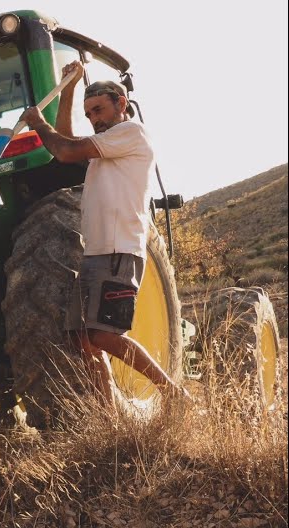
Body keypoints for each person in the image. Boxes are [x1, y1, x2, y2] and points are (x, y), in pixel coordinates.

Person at [20, 62, 187, 405]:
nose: (94, 119)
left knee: (104, 335)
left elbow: (64, 150)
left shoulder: (131, 133)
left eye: (98, 110)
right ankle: (110, 414)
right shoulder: (105, 147)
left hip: (119, 250)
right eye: (89, 114)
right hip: (97, 253)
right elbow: (67, 140)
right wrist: (69, 90)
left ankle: (175, 394)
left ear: (121, 104)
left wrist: (38, 124)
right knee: (83, 338)